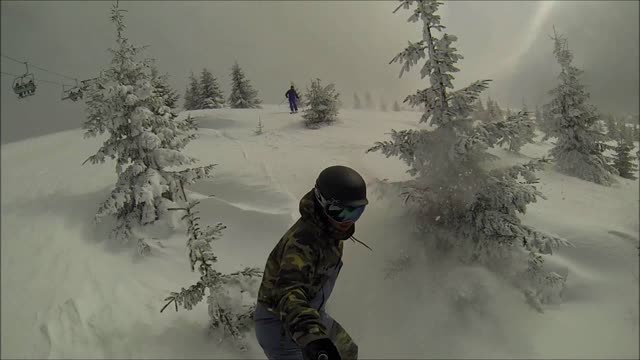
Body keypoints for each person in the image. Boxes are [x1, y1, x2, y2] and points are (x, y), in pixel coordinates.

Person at [254, 165, 369, 360]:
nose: (347, 221)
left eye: (356, 212)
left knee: (347, 351)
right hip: (282, 324)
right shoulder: (303, 241)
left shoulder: (330, 230)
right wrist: (313, 338)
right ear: (322, 204)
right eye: (340, 213)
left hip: (311, 315)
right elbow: (288, 292)